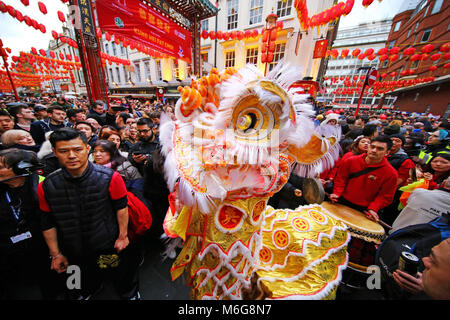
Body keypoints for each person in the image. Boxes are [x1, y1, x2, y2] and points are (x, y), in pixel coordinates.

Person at [38, 128, 140, 300]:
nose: (71, 156)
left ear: (87, 148)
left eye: (77, 149)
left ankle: (129, 294)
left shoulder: (111, 178)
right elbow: (47, 221)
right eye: (64, 151)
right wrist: (55, 253)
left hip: (104, 243)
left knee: (118, 274)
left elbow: (121, 209)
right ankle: (82, 293)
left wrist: (122, 236)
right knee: (76, 283)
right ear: (54, 152)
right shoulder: (47, 185)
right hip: (70, 249)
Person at [0, 149, 54, 299]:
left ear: (21, 167)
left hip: (42, 250)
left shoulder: (45, 185)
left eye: (1, 167)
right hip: (9, 253)